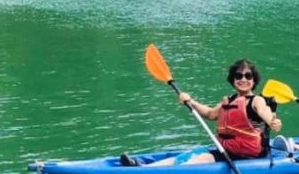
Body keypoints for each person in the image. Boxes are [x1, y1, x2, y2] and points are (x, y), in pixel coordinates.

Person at [120, 59, 281, 166]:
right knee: (185, 156)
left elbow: (265, 112)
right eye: (238, 75)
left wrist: (272, 121)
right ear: (233, 79)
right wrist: (190, 101)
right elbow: (211, 114)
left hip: (247, 156)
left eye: (248, 76)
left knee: (201, 159)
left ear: (254, 80)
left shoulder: (256, 101)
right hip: (226, 150)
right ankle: (142, 168)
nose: (243, 79)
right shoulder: (230, 100)